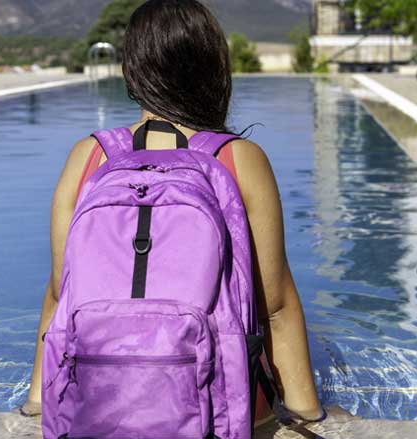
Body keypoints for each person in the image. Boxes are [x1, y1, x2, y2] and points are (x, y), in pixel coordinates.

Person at [21, 0, 323, 429]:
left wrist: (37, 405)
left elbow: (58, 294)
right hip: (216, 415)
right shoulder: (237, 159)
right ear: (213, 68)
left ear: (132, 71)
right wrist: (308, 415)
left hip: (96, 410)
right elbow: (275, 307)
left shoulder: (89, 156)